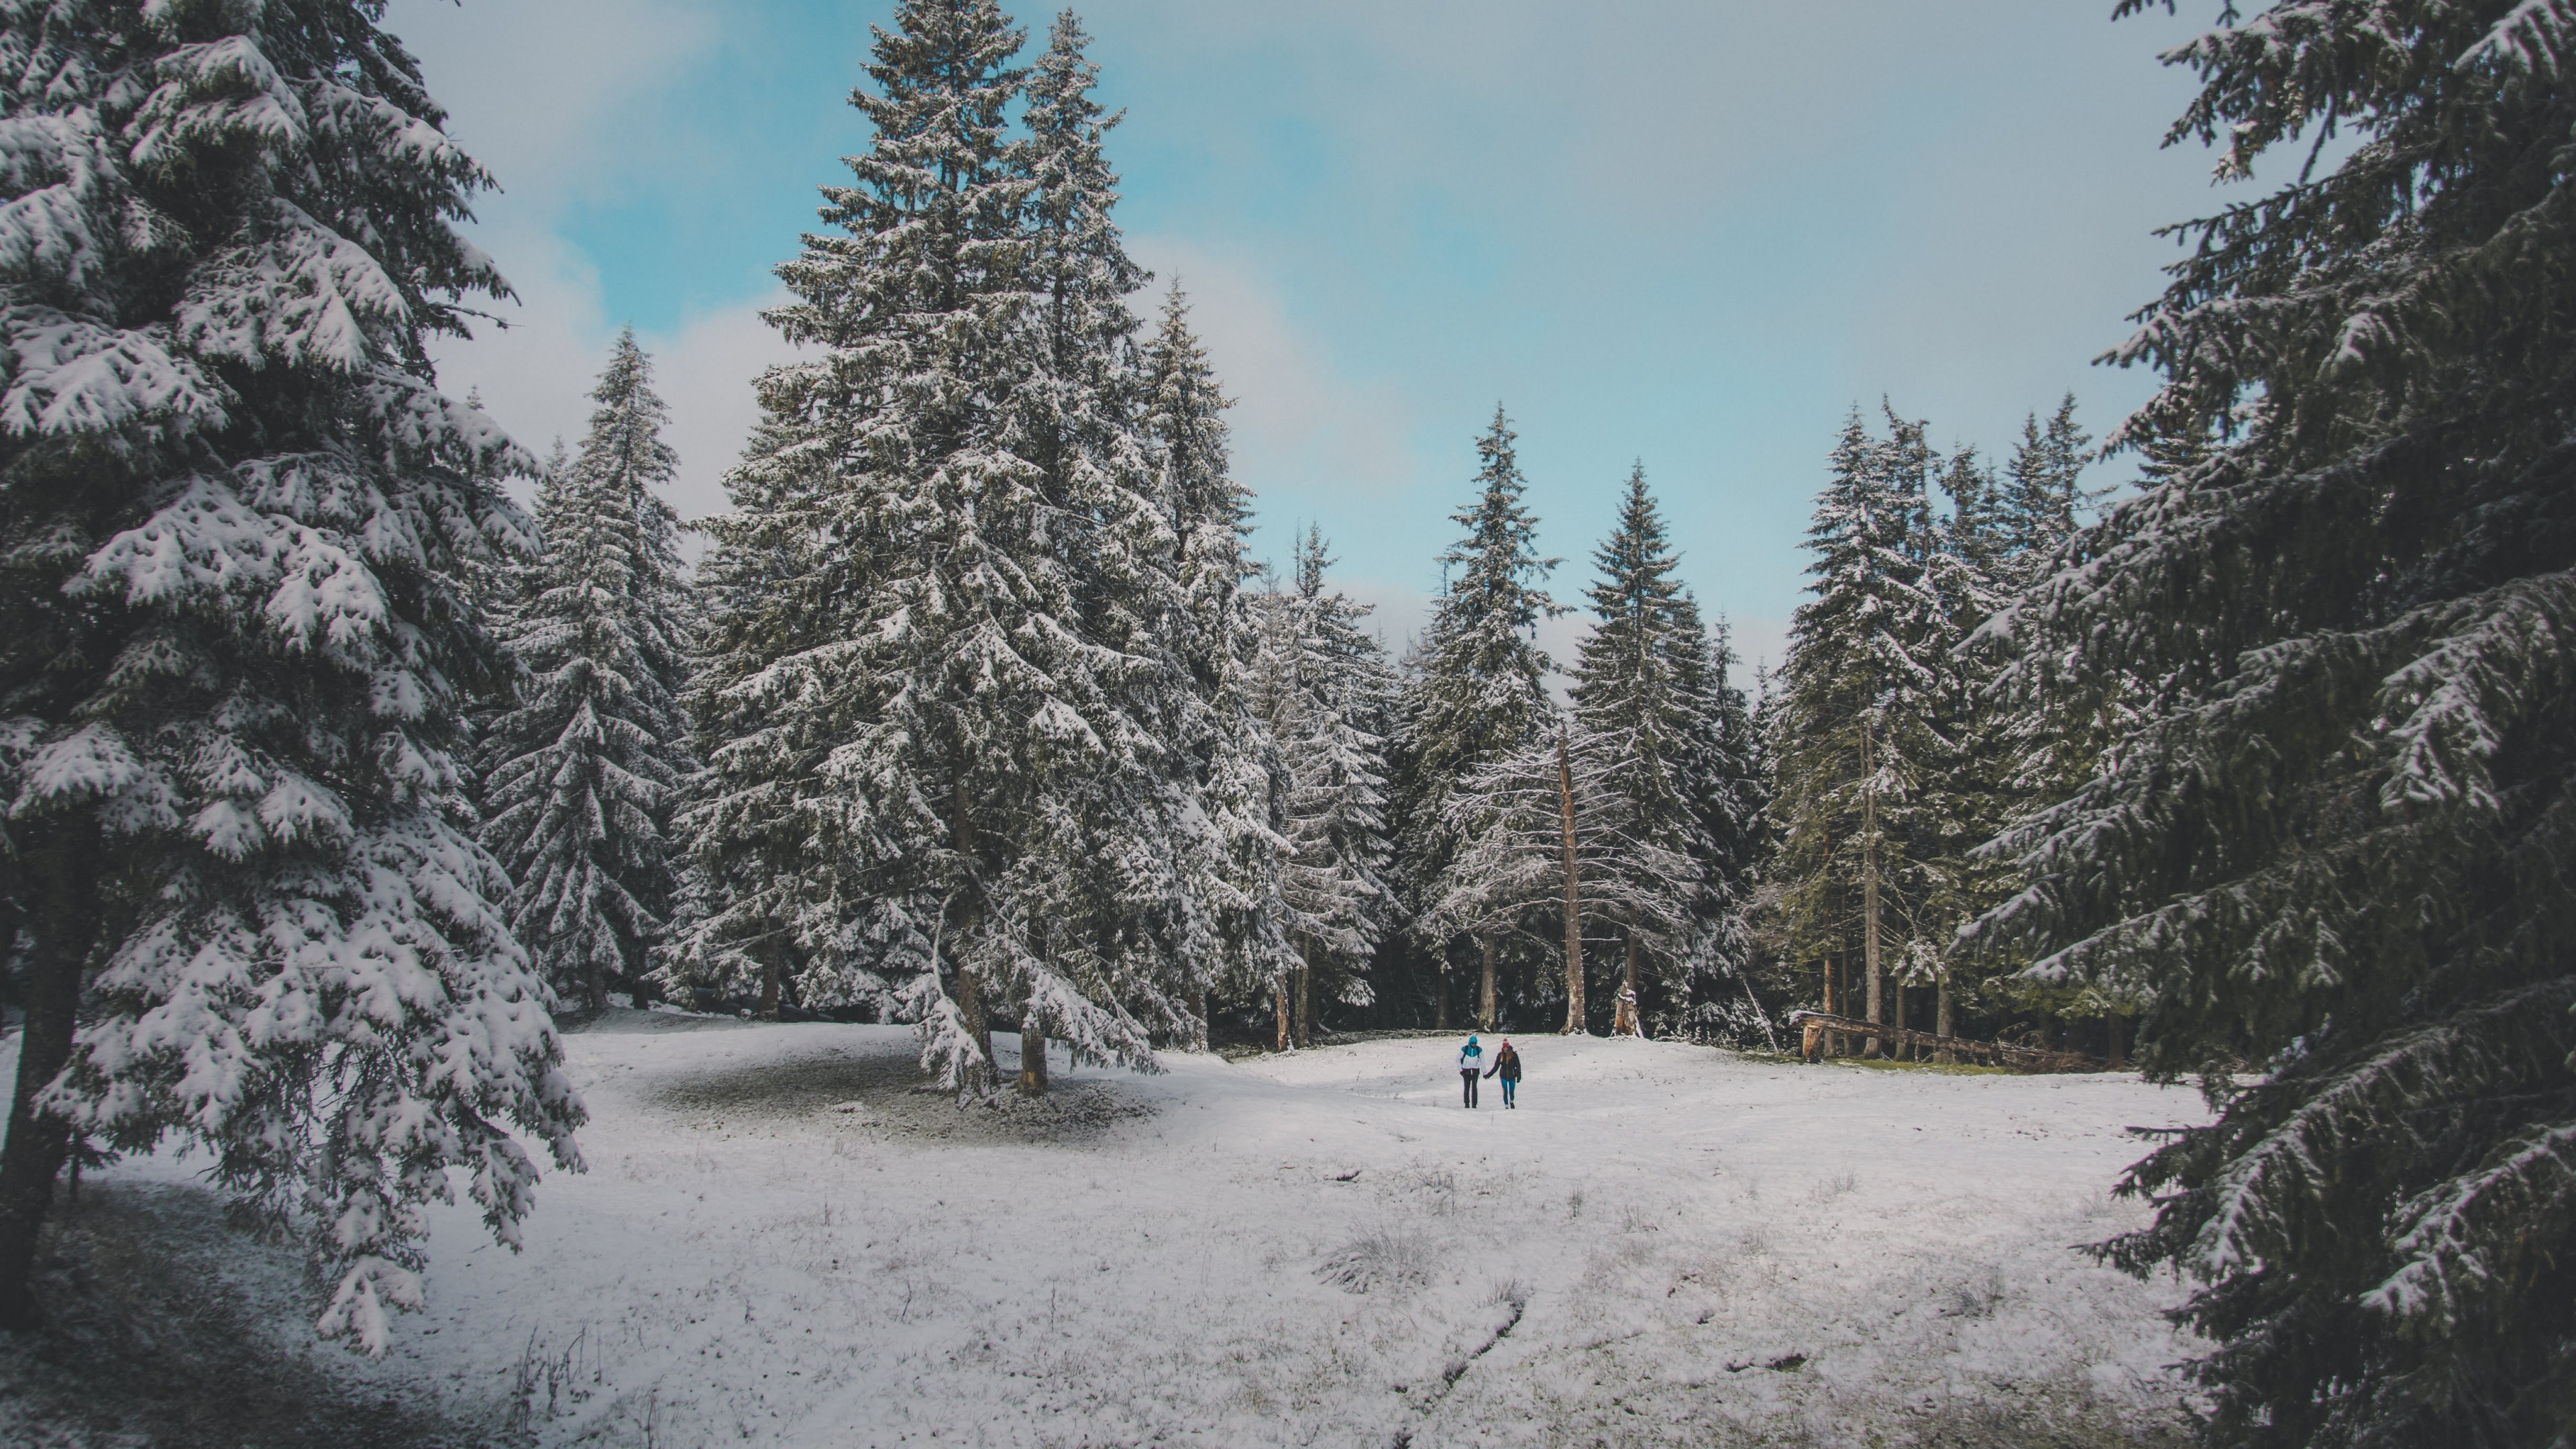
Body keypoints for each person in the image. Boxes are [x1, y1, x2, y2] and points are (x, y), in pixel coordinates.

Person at [1486, 1038, 1521, 1108]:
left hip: (1512, 1075)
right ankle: (1506, 1106)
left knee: (1511, 1091)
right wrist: (1489, 1075)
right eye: (1504, 1047)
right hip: (1503, 1075)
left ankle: (1511, 1101)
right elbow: (1496, 1067)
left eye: (1506, 1047)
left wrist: (1519, 1075)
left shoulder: (1514, 1055)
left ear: (1508, 1047)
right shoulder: (1500, 1055)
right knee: (1505, 1091)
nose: (1505, 1049)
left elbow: (1518, 1065)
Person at [1457, 1034, 1484, 1108]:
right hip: (1466, 1070)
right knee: (1467, 1087)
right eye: (1472, 1043)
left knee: (1474, 1087)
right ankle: (1467, 1104)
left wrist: (1485, 1072)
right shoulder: (1464, 1049)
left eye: (1475, 1043)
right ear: (1470, 1043)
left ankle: (1474, 1104)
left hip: (1475, 1070)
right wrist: (1461, 1070)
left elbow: (1482, 1061)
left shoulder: (1479, 1050)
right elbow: (1458, 1059)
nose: (1473, 1045)